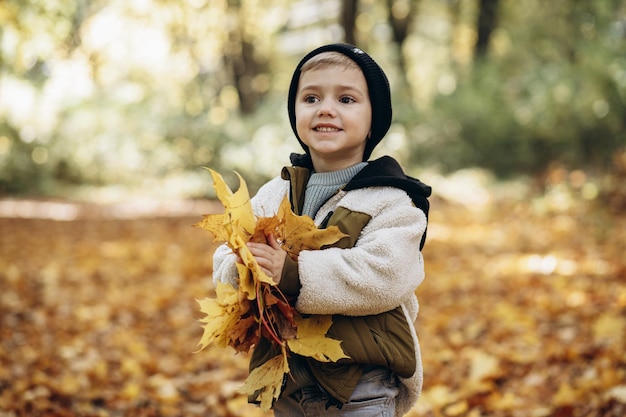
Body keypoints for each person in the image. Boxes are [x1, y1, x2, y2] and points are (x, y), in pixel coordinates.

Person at [212, 43, 431, 417]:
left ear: (374, 118)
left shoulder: (393, 201)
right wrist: (244, 264)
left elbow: (384, 275)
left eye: (346, 99)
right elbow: (226, 256)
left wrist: (293, 274)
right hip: (289, 376)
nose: (326, 108)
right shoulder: (275, 193)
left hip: (362, 380)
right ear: (295, 111)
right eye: (311, 97)